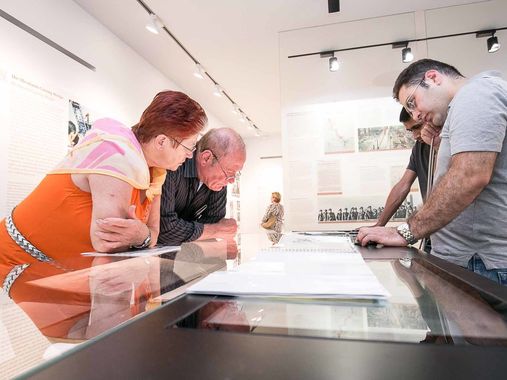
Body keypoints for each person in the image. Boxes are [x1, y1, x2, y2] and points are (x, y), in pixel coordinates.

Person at [0, 90, 207, 299]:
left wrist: (141, 236)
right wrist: (142, 236)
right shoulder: (117, 153)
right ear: (161, 141)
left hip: (61, 275)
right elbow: (109, 243)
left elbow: (152, 234)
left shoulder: (156, 171)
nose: (189, 156)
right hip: (16, 266)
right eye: (188, 147)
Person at [357, 59, 507, 285]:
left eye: (412, 102)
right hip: (471, 260)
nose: (415, 115)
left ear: (433, 78)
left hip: (481, 263)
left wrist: (406, 232)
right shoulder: (464, 105)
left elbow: (469, 177)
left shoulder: (476, 95)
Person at [158, 128, 246, 246]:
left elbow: (214, 220)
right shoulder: (174, 165)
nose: (231, 181)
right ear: (206, 158)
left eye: (235, 174)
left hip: (185, 255)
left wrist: (205, 230)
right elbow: (165, 229)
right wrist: (215, 230)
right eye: (229, 172)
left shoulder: (217, 182)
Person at [373, 108, 430, 227]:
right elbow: (403, 185)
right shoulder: (419, 147)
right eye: (410, 130)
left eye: (417, 127)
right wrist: (379, 225)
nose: (415, 136)